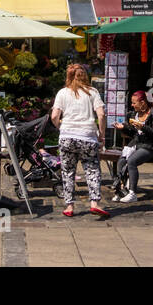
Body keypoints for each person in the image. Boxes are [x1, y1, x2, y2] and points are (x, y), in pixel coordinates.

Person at [51, 62, 110, 218]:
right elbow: (102, 115)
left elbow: (54, 116)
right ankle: (94, 203)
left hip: (67, 136)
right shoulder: (93, 92)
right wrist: (101, 135)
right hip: (87, 136)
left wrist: (60, 128)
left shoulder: (62, 93)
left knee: (68, 172)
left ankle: (69, 206)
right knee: (92, 170)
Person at [112, 90, 153, 203]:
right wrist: (123, 128)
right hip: (136, 144)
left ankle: (132, 193)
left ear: (143, 102)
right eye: (132, 103)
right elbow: (133, 134)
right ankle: (121, 191)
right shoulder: (132, 115)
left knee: (131, 161)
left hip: (149, 146)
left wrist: (142, 127)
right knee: (121, 160)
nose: (132, 105)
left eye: (134, 103)